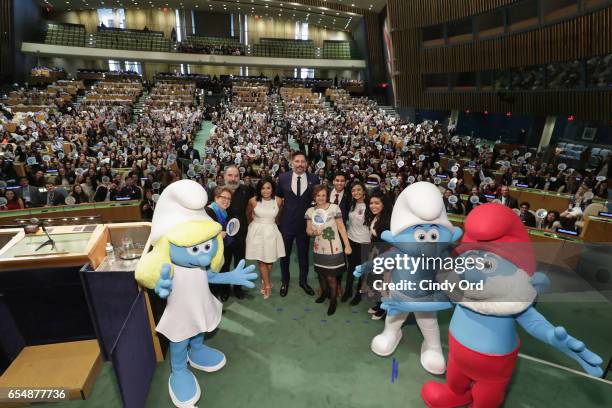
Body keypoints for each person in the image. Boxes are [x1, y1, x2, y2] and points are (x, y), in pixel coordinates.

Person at [276, 151, 320, 297]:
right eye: (297, 161)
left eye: (302, 161)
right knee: (285, 256)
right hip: (287, 225)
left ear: (306, 163)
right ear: (292, 162)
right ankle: (285, 282)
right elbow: (278, 200)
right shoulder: (282, 178)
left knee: (303, 256)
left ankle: (303, 281)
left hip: (304, 226)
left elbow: (316, 202)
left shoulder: (314, 178)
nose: (300, 164)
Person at [306, 185, 352, 315]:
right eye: (318, 195)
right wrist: (314, 232)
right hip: (318, 247)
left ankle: (333, 300)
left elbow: (342, 228)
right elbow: (308, 230)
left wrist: (347, 245)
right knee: (321, 274)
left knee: (331, 276)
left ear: (327, 196)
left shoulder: (334, 208)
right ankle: (324, 294)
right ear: (314, 196)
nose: (320, 197)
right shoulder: (310, 211)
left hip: (334, 247)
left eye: (323, 195)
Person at [245, 177, 285, 299]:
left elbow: (279, 216)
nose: (266, 191)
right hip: (256, 232)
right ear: (259, 189)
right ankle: (267, 285)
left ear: (272, 189)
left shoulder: (278, 201)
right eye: (263, 188)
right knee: (261, 260)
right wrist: (254, 226)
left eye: (268, 188)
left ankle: (264, 280)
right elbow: (248, 215)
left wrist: (271, 225)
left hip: (272, 231)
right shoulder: (253, 201)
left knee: (270, 260)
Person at [220, 166, 254, 300]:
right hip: (223, 237)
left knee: (240, 263)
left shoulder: (247, 191)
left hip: (241, 236)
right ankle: (225, 289)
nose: (233, 179)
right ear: (224, 176)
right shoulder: (217, 192)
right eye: (230, 175)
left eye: (236, 176)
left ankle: (238, 288)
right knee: (224, 264)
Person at [365, 189, 392, 321]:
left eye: (377, 203)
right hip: (375, 253)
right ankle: (378, 304)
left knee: (383, 283)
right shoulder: (376, 216)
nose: (373, 206)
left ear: (383, 204)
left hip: (384, 255)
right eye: (371, 203)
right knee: (376, 280)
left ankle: (383, 309)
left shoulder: (387, 220)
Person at [205, 186, 234, 300]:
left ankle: (219, 296)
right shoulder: (209, 211)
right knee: (212, 277)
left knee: (222, 271)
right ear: (216, 197)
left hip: (221, 249)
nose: (226, 201)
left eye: (229, 199)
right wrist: (217, 235)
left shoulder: (224, 212)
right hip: (210, 252)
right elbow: (203, 232)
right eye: (223, 197)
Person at [343, 181, 370, 305]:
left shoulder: (370, 205)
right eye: (353, 190)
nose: (356, 192)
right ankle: (348, 291)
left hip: (365, 242)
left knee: (361, 270)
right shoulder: (352, 204)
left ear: (364, 191)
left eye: (358, 189)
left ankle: (359, 294)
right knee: (351, 268)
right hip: (351, 240)